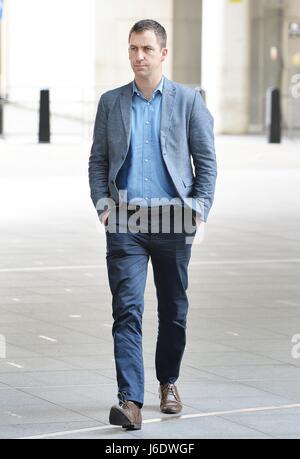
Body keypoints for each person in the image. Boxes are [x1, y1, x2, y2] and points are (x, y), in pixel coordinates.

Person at [88, 19, 217, 431]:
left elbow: (206, 161)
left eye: (146, 49)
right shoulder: (111, 102)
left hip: (174, 218)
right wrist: (104, 207)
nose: (138, 57)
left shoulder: (188, 102)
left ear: (163, 53)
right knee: (126, 309)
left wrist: (197, 209)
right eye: (132, 49)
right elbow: (98, 161)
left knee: (174, 310)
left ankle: (169, 382)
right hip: (124, 218)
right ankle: (130, 401)